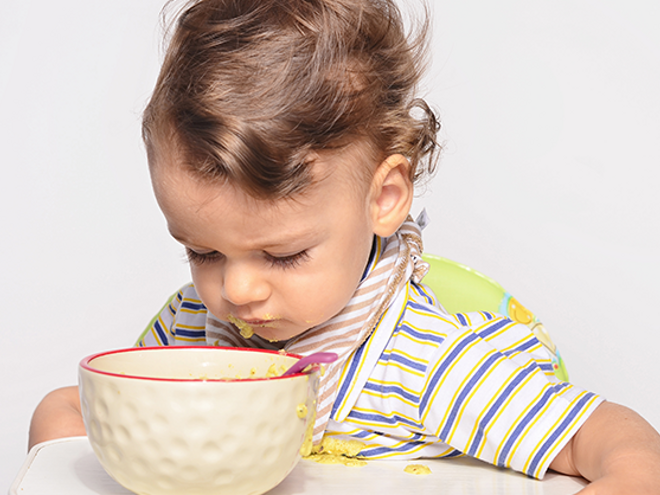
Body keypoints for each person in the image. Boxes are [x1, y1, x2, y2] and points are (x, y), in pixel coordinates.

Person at [29, 0, 660, 492]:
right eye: (204, 252)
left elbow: (608, 437)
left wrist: (633, 474)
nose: (235, 290)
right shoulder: (192, 330)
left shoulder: (428, 364)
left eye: (283, 255)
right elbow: (72, 422)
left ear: (384, 197)